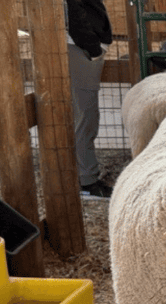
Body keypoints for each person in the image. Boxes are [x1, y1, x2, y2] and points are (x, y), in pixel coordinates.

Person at [66, 0, 114, 199]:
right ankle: (87, 182)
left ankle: (84, 175)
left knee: (84, 114)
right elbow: (74, 11)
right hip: (80, 49)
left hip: (82, 48)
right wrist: (93, 49)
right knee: (86, 115)